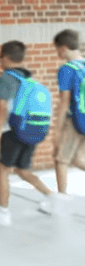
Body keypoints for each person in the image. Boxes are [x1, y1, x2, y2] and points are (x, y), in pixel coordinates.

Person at [0, 41, 54, 227]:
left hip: (12, 131)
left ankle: (2, 213)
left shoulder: (5, 78)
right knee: (22, 170)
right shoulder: (28, 78)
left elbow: (2, 110)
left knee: (3, 170)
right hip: (31, 128)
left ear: (5, 57)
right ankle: (52, 198)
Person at [51, 30, 85, 199]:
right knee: (78, 159)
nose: (57, 53)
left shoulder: (66, 69)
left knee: (61, 160)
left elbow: (64, 101)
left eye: (57, 49)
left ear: (64, 48)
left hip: (74, 120)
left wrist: (57, 129)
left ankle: (62, 199)